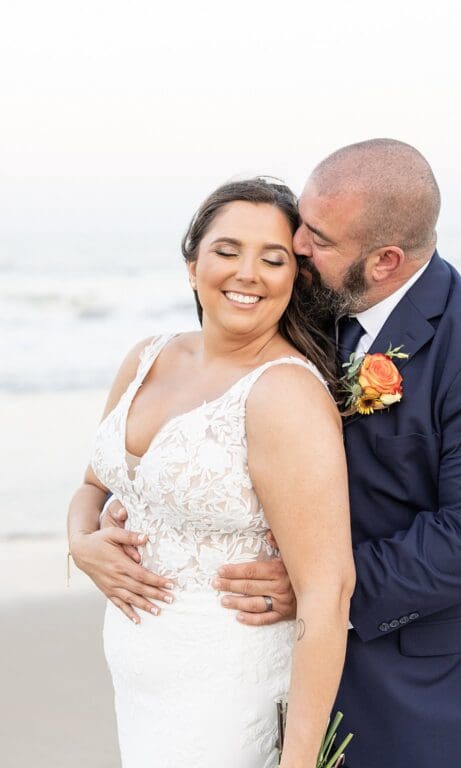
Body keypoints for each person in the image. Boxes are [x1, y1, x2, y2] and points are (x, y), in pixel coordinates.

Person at [103, 140, 461, 768]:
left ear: (385, 262)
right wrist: (113, 514)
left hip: (420, 684)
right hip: (259, 663)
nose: (294, 248)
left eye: (315, 238)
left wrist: (320, 584)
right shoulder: (314, 302)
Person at [68, 178, 355, 768]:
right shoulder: (149, 356)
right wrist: (81, 542)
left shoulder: (284, 395)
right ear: (192, 263)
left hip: (227, 692)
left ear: (294, 278)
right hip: (140, 679)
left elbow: (328, 593)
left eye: (272, 259)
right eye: (227, 251)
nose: (248, 273)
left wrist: (299, 762)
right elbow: (94, 485)